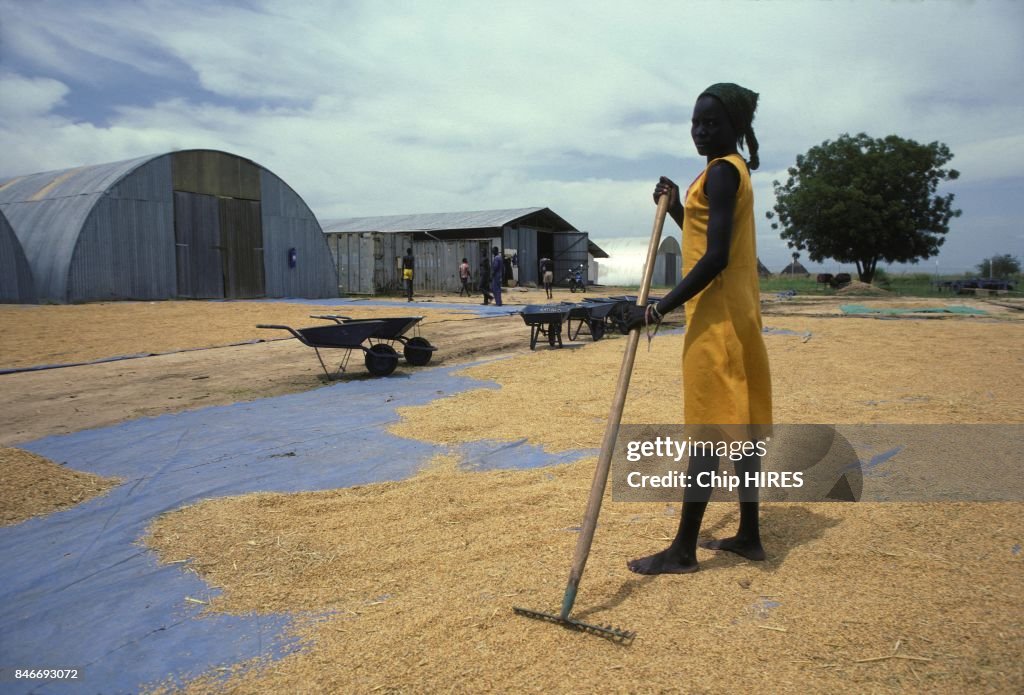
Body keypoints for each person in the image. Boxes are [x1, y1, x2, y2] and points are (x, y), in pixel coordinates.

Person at [622, 82, 772, 575]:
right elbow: (708, 236)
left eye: (712, 123)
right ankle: (749, 535)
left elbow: (716, 257)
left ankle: (683, 550)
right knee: (741, 425)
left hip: (719, 322)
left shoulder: (723, 174)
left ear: (736, 127)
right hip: (737, 314)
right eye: (695, 123)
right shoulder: (727, 173)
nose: (701, 131)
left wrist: (657, 309)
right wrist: (676, 209)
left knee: (709, 432)